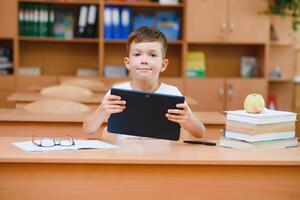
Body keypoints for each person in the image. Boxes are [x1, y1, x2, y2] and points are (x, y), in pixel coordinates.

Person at [83, 26, 206, 138]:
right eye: (137, 54)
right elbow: (88, 129)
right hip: (125, 157)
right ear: (127, 62)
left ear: (163, 65)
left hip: (162, 158)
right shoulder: (117, 93)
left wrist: (188, 120)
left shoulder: (172, 93)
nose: (144, 60)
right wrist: (102, 111)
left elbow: (200, 133)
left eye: (152, 55)